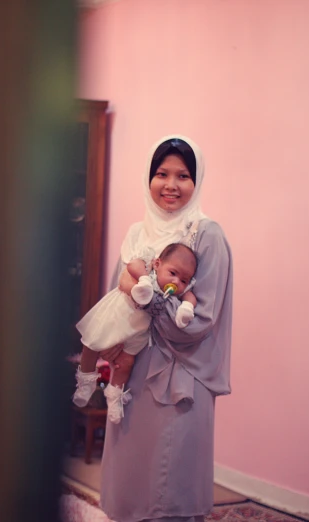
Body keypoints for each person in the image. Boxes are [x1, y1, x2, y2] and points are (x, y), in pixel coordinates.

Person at [98, 135, 233, 522]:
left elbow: (199, 322)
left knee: (169, 493)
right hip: (132, 372)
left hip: (180, 380)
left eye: (183, 175)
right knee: (129, 487)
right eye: (161, 173)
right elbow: (115, 291)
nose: (171, 185)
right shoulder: (138, 233)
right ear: (149, 178)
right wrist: (112, 337)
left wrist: (143, 296)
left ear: (197, 182)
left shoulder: (207, 236)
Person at [72, 243, 199, 425]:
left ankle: (114, 395)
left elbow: (190, 296)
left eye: (184, 280)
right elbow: (132, 265)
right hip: (118, 316)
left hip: (138, 330)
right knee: (91, 344)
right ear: (157, 264)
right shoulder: (149, 270)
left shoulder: (176, 289)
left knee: (126, 363)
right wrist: (144, 279)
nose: (177, 282)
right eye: (173, 273)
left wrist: (186, 308)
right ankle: (86, 382)